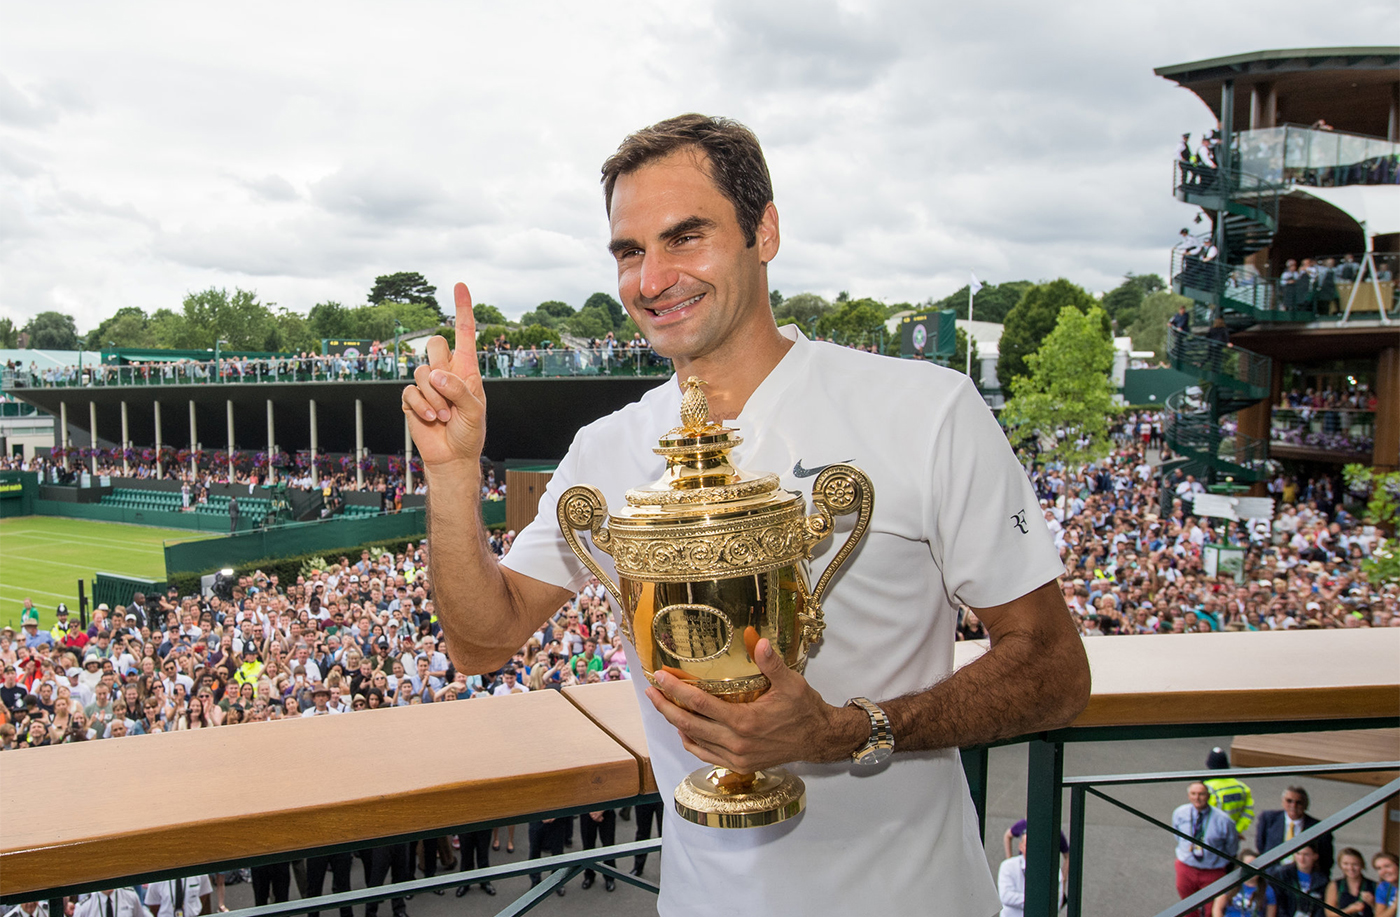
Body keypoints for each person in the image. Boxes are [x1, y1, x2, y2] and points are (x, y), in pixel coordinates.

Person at [402, 113, 1091, 914]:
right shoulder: (607, 447)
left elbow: (1053, 667)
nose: (651, 280)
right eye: (629, 252)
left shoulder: (926, 408)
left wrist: (844, 731)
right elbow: (480, 640)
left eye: (685, 237)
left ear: (763, 231)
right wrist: (450, 472)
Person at [1173, 781, 1240, 917]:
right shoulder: (1180, 813)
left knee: (1213, 911)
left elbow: (1232, 847)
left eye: (1201, 794)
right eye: (1193, 794)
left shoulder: (1223, 820)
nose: (1197, 798)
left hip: (1213, 871)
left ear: (1208, 796)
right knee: (1187, 908)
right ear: (1188, 795)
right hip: (1187, 867)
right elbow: (1178, 835)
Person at [1256, 786, 1334, 878]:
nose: (1293, 806)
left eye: (1299, 802)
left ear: (1306, 805)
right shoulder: (1269, 819)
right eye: (1289, 801)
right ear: (1283, 802)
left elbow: (1326, 859)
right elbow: (1261, 846)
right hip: (1272, 876)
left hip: (1302, 877)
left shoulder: (1319, 827)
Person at [1204, 747, 1255, 840]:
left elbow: (1205, 815)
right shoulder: (1242, 787)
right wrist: (1236, 831)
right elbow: (1248, 813)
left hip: (1213, 837)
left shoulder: (1207, 788)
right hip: (1233, 837)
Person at [1268, 842, 1330, 917]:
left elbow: (1321, 908)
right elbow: (1278, 902)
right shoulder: (1282, 875)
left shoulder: (1322, 880)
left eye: (1306, 854)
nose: (1302, 858)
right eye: (1298, 853)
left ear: (1315, 856)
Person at [1211, 850, 1276, 917]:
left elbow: (1271, 914)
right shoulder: (1230, 885)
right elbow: (1217, 909)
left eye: (1255, 865)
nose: (1252, 869)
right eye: (1248, 865)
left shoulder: (1268, 890)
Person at [1326, 847, 1376, 917]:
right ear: (1340, 865)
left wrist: (1373, 903)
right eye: (1346, 864)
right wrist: (1349, 910)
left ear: (1362, 865)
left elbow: (1382, 913)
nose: (1350, 868)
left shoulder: (1374, 885)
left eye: (1355, 864)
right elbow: (1329, 914)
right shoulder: (1335, 885)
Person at [1372, 852, 1397, 917]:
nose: (1383, 871)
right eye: (1379, 868)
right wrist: (1395, 905)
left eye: (1387, 866)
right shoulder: (1383, 887)